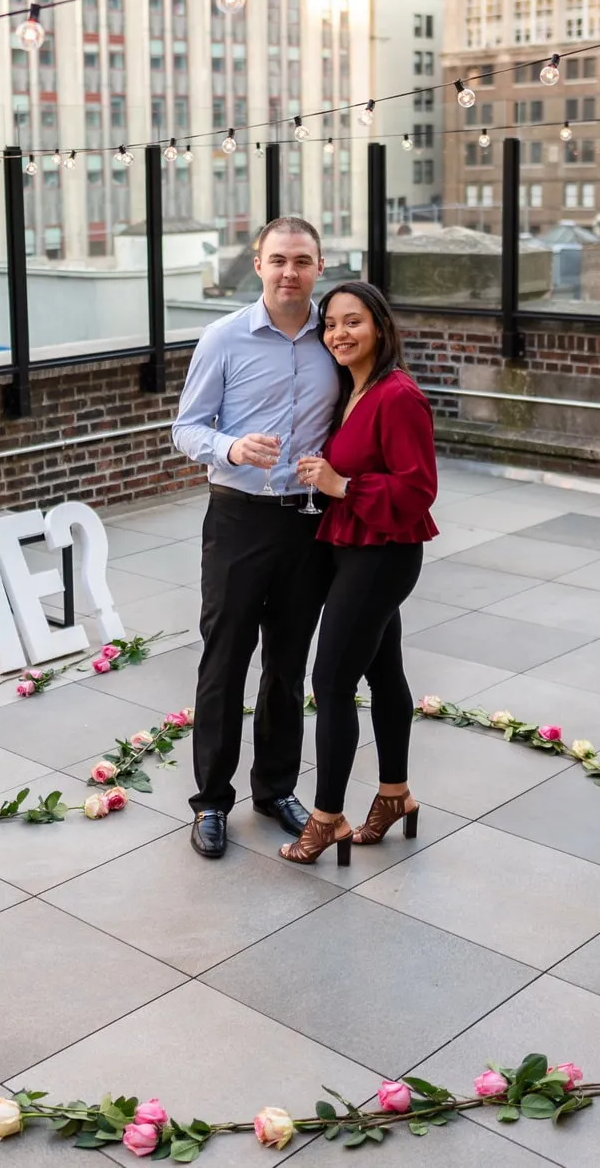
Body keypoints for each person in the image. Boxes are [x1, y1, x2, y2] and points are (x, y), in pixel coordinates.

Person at [171, 216, 341, 859]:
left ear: (319, 267)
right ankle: (212, 801)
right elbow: (186, 429)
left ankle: (274, 790)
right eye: (278, 260)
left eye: (302, 260)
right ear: (258, 263)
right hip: (240, 518)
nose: (289, 272)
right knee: (225, 660)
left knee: (287, 666)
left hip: (309, 524)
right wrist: (232, 445)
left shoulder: (335, 336)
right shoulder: (224, 339)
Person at [281, 281, 438, 866]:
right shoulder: (355, 389)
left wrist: (341, 485)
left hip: (383, 553)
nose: (339, 334)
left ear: (379, 327)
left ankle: (326, 819)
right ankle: (395, 795)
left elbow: (420, 488)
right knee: (384, 672)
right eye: (330, 325)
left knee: (331, 681)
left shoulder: (398, 396)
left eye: (353, 322)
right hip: (357, 547)